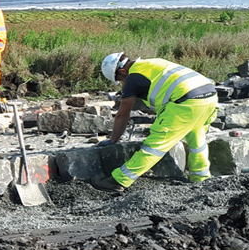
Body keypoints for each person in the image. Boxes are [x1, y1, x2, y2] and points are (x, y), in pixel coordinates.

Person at [91, 53, 218, 191]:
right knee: (197, 140)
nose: (122, 83)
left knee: (155, 146)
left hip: (186, 103)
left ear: (122, 71)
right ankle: (201, 179)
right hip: (209, 96)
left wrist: (113, 140)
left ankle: (118, 180)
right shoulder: (153, 63)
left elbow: (122, 114)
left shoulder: (133, 78)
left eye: (119, 80)